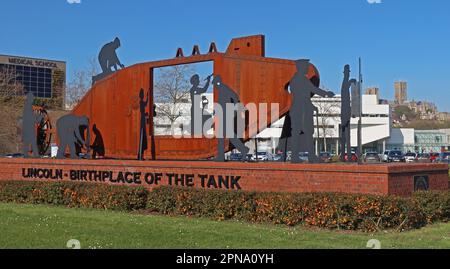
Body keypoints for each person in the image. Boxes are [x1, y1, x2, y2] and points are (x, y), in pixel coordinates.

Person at [287, 60, 335, 163]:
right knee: (305, 133)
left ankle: (299, 157)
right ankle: (308, 157)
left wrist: (312, 106)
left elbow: (304, 96)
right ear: (300, 67)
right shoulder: (300, 79)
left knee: (302, 133)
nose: (307, 69)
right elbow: (311, 90)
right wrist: (326, 93)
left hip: (300, 109)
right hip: (301, 111)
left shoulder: (297, 79)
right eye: (305, 67)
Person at [212, 75, 249, 162]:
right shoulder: (222, 89)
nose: (215, 87)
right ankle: (241, 150)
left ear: (218, 82)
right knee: (224, 135)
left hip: (227, 115)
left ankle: (242, 150)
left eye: (214, 84)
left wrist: (234, 110)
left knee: (225, 135)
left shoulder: (224, 88)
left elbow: (235, 96)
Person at [340, 65, 357, 162]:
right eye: (347, 73)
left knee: (347, 136)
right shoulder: (344, 82)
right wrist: (351, 81)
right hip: (344, 113)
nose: (348, 74)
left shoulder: (346, 82)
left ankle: (347, 156)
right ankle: (345, 156)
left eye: (349, 73)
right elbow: (345, 98)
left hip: (346, 112)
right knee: (345, 136)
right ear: (345, 73)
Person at [22, 92, 42, 158]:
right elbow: (32, 119)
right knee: (33, 142)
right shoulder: (28, 106)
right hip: (29, 129)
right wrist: (39, 117)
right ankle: (35, 155)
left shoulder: (27, 106)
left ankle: (27, 155)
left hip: (26, 128)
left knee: (27, 143)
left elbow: (29, 117)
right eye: (32, 98)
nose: (33, 99)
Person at [138, 89, 149, 160]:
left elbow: (146, 103)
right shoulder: (141, 102)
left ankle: (141, 155)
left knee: (143, 135)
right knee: (142, 135)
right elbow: (144, 106)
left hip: (142, 119)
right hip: (142, 119)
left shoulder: (141, 102)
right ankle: (140, 155)